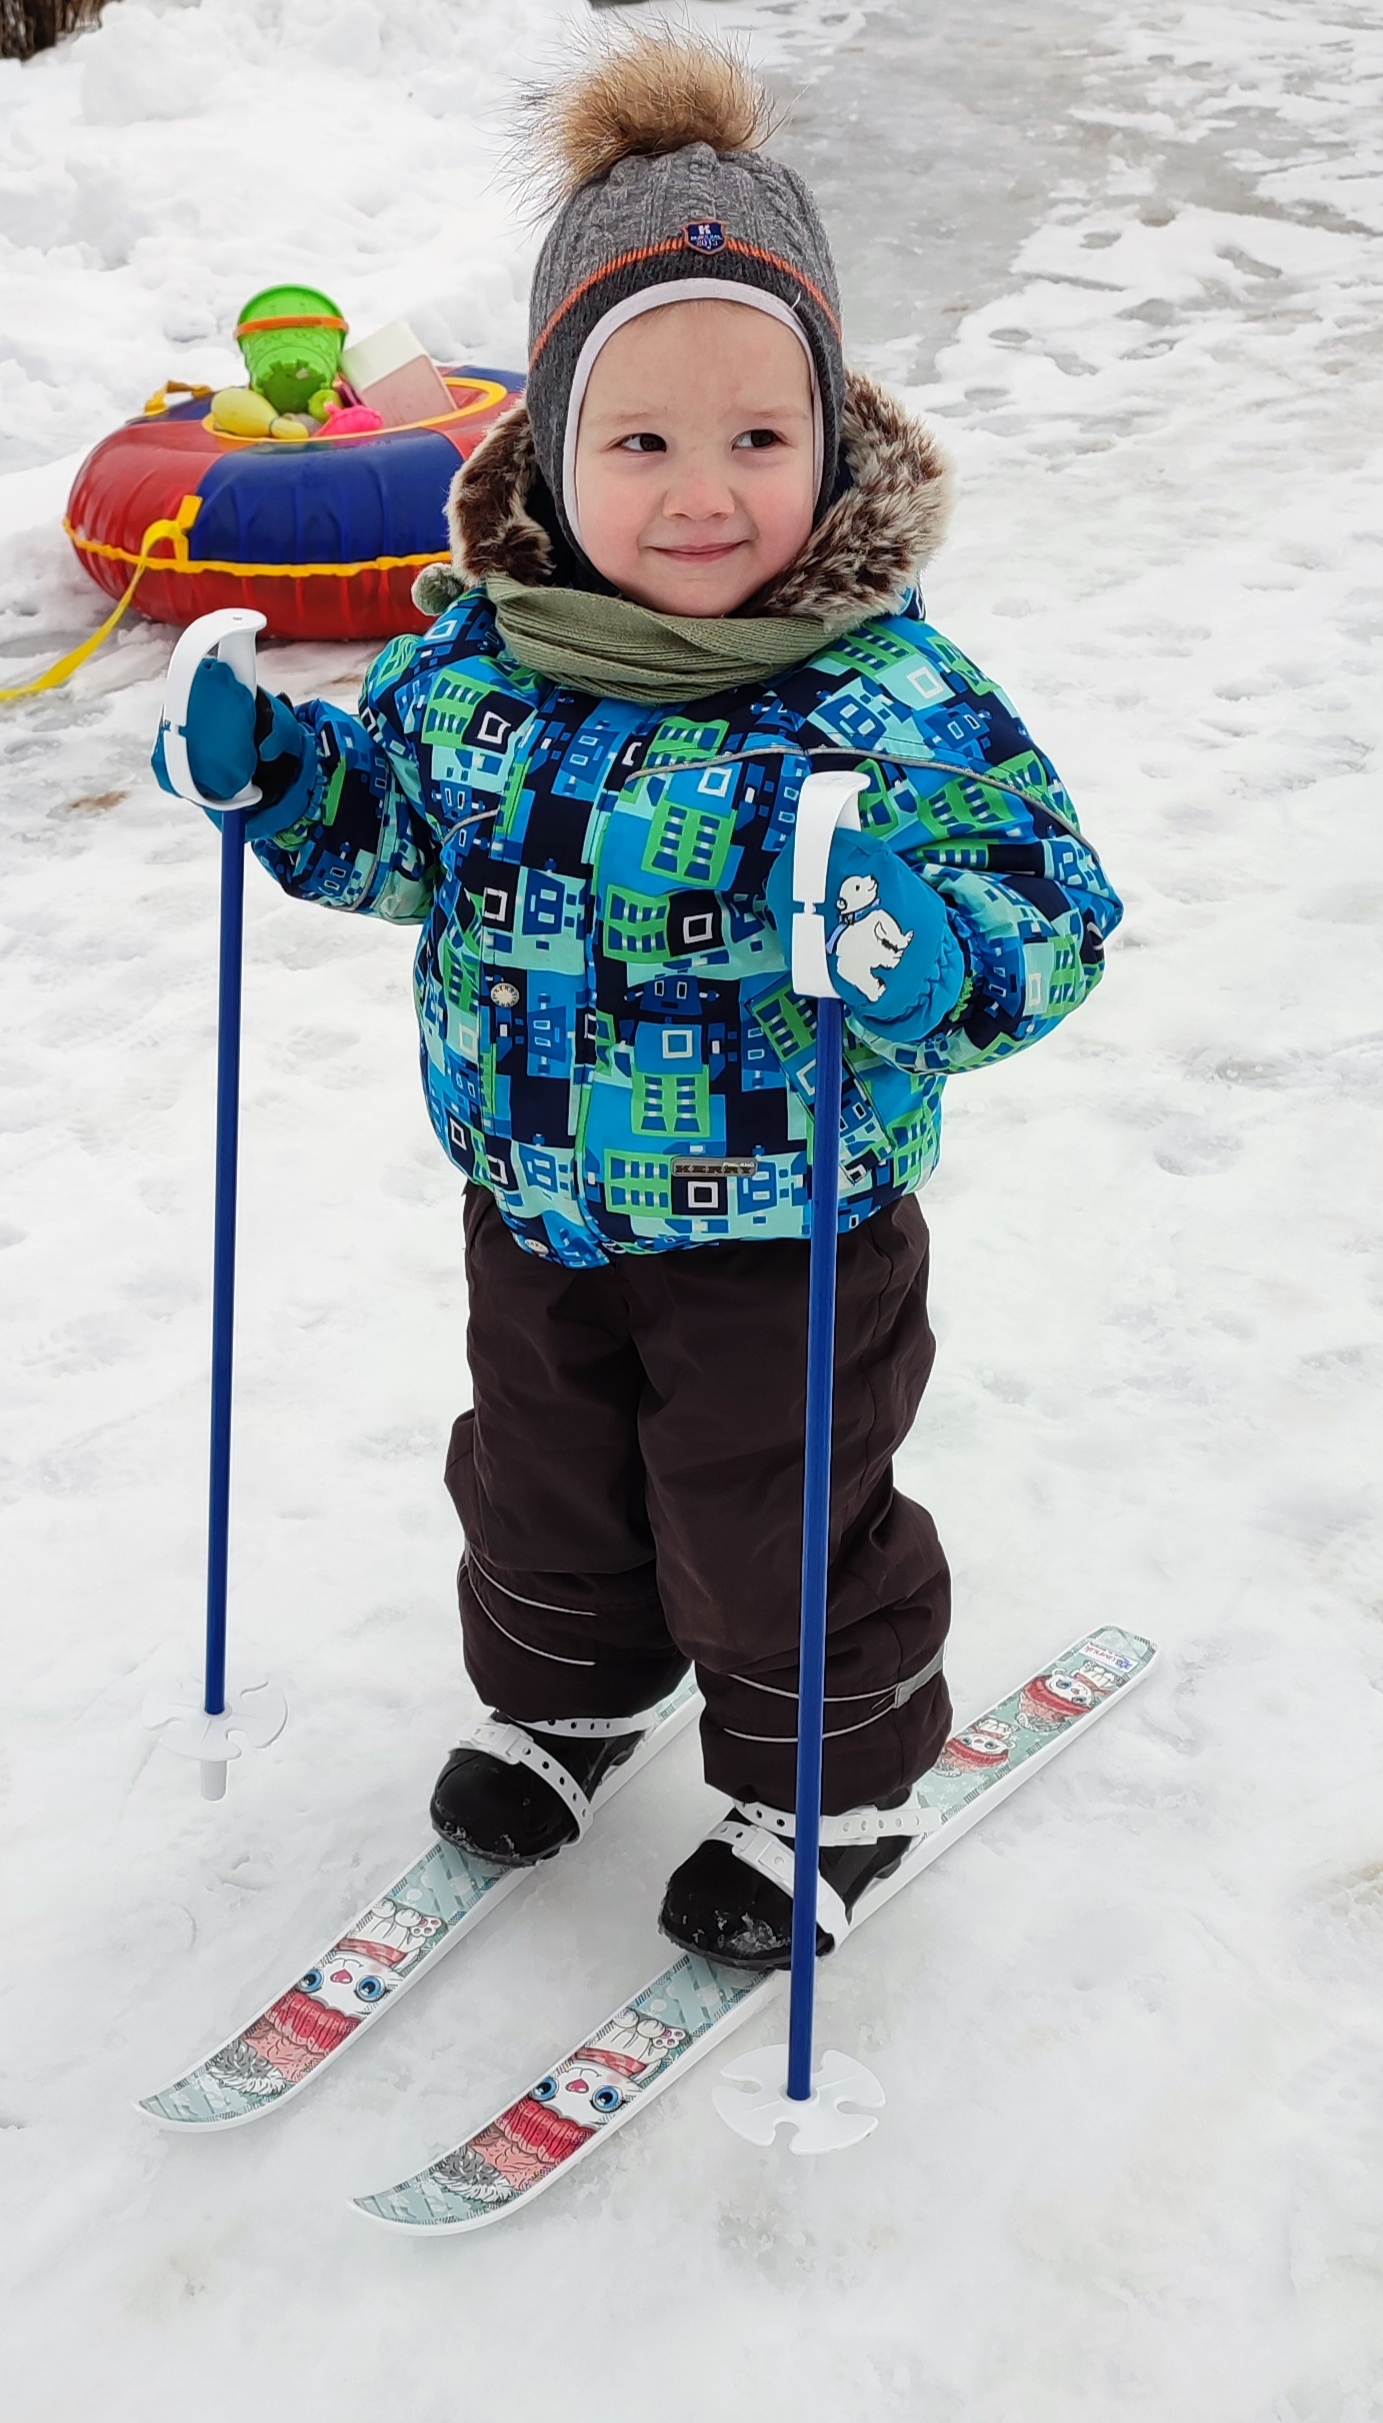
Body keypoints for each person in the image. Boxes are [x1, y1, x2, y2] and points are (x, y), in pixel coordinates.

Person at [155, 35, 1121, 1969]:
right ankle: (572, 1698)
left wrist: (925, 957)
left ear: (835, 443)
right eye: (644, 443)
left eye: (759, 440)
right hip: (534, 1191)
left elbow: (1054, 912)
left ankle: (825, 1789)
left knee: (769, 1528)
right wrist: (284, 781)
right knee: (538, 1479)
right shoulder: (482, 665)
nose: (701, 495)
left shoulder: (887, 693)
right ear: (555, 457)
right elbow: (407, 835)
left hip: (790, 1230)